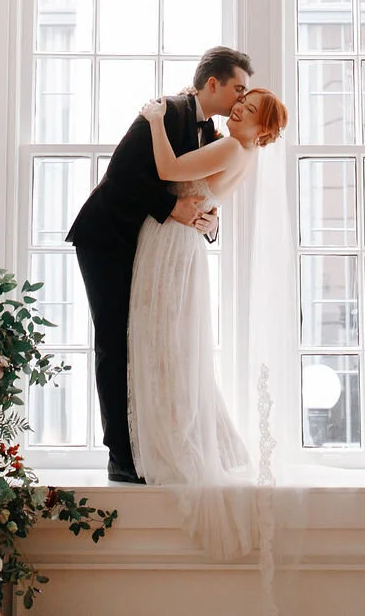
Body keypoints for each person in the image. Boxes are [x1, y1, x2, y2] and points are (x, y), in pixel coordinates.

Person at [66, 46, 251, 484]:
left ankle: (152, 445)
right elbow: (122, 176)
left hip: (151, 246)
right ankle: (121, 458)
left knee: (149, 342)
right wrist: (172, 210)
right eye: (238, 88)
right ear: (213, 83)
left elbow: (199, 191)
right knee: (115, 342)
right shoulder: (167, 111)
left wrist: (209, 221)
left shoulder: (213, 133)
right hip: (108, 237)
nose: (242, 99)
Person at [128, 85, 287, 559]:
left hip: (171, 243)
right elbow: (211, 200)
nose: (238, 109)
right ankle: (186, 435)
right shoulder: (243, 154)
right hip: (185, 243)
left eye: (249, 109)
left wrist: (155, 120)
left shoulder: (233, 147)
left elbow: (168, 170)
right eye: (241, 101)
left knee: (163, 342)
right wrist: (210, 216)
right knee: (172, 343)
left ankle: (175, 442)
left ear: (262, 128)